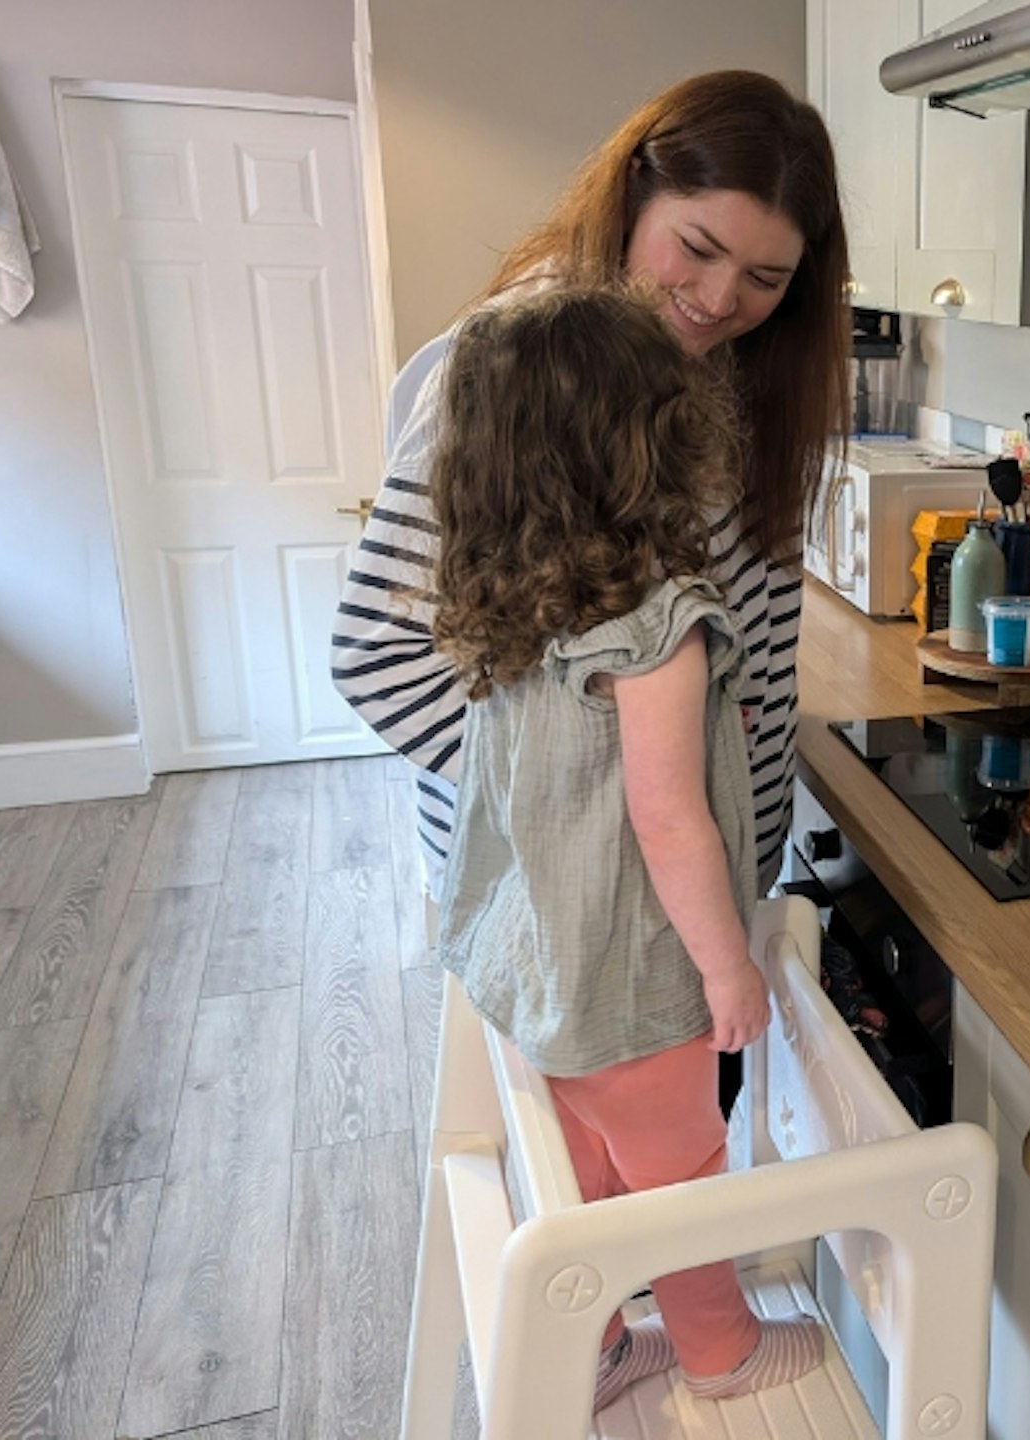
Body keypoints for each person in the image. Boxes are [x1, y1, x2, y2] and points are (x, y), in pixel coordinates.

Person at [431, 282, 824, 1411]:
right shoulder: (656, 623)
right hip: (635, 973)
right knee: (684, 1177)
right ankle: (720, 1354)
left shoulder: (514, 596)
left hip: (541, 964)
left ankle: (598, 1345)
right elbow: (669, 817)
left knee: (595, 1167)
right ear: (660, 446)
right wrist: (724, 968)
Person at [329, 70, 849, 921]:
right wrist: (609, 807)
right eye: (699, 247)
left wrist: (736, 846)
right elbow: (380, 655)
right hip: (561, 886)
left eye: (765, 276)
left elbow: (759, 637)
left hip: (696, 876)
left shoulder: (745, 368)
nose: (720, 301)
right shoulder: (523, 366)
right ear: (635, 195)